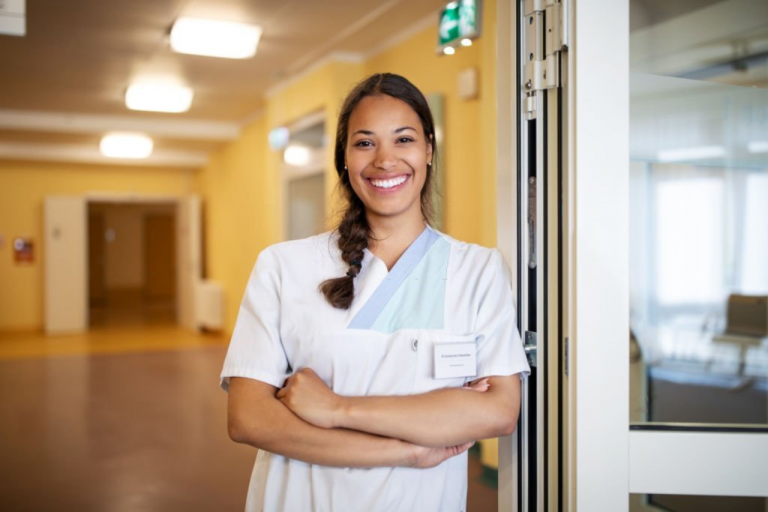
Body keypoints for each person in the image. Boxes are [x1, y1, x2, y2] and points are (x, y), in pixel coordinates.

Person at [221, 73, 530, 512]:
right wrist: (407, 448)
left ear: (428, 149)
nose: (385, 160)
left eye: (403, 139)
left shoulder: (477, 269)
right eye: (364, 143)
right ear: (343, 159)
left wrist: (335, 409)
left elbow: (498, 412)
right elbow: (248, 418)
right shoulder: (283, 266)